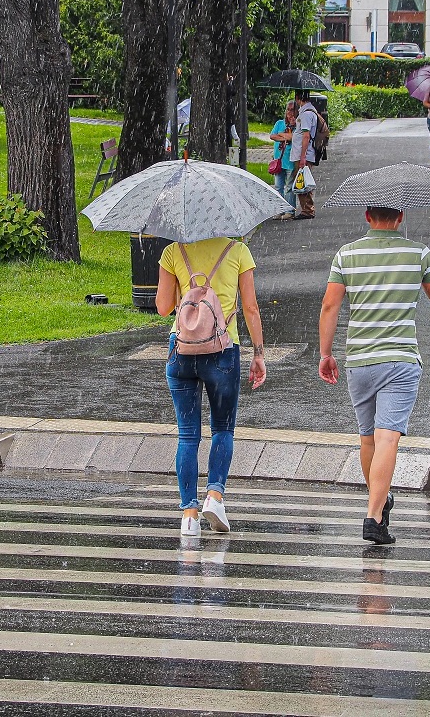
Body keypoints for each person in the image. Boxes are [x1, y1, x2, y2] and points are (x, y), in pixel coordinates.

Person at [317, 206, 430, 545]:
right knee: (388, 438)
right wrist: (418, 273)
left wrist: (326, 353)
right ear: (401, 216)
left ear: (367, 216)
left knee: (368, 439)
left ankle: (379, 501)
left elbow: (330, 306)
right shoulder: (418, 252)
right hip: (400, 361)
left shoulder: (346, 254)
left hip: (360, 360)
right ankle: (374, 516)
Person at [156, 236, 267, 538]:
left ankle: (189, 516)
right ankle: (214, 496)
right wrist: (258, 354)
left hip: (181, 350)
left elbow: (163, 307)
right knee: (222, 428)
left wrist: (186, 294)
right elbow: (251, 308)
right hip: (222, 350)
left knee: (188, 434)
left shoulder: (173, 252)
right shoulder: (238, 250)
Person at [291, 89, 319, 219]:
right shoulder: (308, 112)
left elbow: (306, 136)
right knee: (303, 180)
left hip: (303, 154)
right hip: (304, 153)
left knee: (302, 181)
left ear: (298, 98)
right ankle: (307, 209)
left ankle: (307, 210)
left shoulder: (306, 114)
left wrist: (302, 157)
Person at [269, 101, 297, 219]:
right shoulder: (279, 123)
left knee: (289, 186)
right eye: (288, 110)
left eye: (292, 110)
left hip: (290, 159)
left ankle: (290, 210)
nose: (290, 113)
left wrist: (282, 135)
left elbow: (293, 138)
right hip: (278, 159)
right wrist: (284, 136)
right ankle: (279, 209)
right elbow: (272, 136)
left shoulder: (298, 125)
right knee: (278, 186)